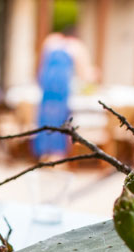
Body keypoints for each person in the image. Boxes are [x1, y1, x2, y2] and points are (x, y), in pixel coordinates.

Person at [33, 28, 96, 159]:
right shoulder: (76, 46)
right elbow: (85, 74)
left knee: (46, 116)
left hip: (48, 85)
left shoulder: (50, 41)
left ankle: (44, 152)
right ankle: (57, 153)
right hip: (62, 87)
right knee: (59, 118)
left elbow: (41, 65)